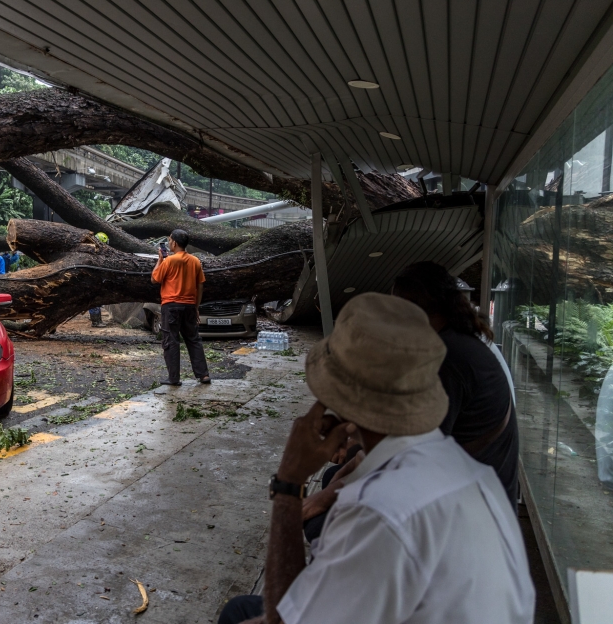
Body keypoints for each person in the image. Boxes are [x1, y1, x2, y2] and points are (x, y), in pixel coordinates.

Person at [217, 293, 534, 624]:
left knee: (237, 612)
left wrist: (289, 484)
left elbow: (281, 620)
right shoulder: (473, 474)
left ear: (340, 400)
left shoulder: (376, 513)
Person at [392, 261, 518, 507]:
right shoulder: (457, 341)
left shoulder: (447, 359)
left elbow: (418, 453)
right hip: (479, 490)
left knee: (325, 516)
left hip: (472, 509)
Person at [150, 229, 210, 386]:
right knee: (193, 339)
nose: (169, 243)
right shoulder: (195, 261)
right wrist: (196, 307)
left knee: (171, 340)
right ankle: (203, 375)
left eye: (169, 240)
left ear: (174, 243)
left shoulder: (169, 261)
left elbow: (154, 279)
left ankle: (174, 378)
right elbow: (201, 285)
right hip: (190, 305)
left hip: (171, 306)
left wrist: (160, 260)